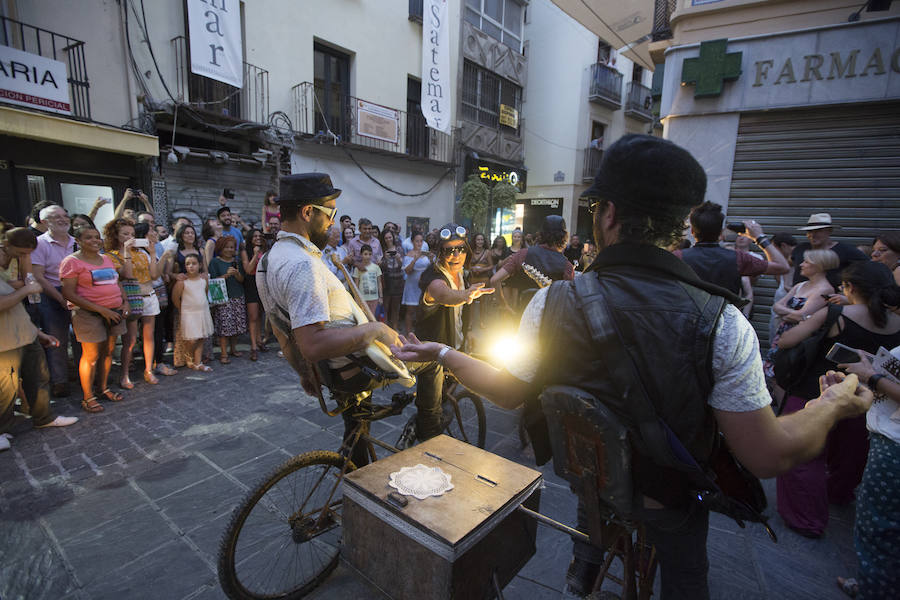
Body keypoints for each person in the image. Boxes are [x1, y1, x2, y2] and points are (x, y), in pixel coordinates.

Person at [391, 134, 875, 599]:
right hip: (672, 500)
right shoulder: (723, 320)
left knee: (594, 501)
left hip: (590, 482)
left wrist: (441, 354)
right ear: (682, 222)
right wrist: (830, 405)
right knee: (688, 576)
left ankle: (585, 560)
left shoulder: (552, 303)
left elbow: (508, 391)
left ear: (608, 214)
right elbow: (768, 456)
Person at [256, 173, 433, 469]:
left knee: (357, 429)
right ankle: (433, 445)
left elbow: (280, 329)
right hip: (352, 367)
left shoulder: (269, 259)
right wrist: (374, 328)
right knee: (435, 361)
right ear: (307, 212)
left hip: (335, 370)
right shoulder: (301, 265)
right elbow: (312, 344)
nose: (332, 223)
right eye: (330, 213)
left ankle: (357, 477)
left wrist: (303, 371)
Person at [776, 261, 900, 538]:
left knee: (804, 454)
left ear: (850, 287)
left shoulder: (836, 313)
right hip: (866, 399)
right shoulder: (896, 323)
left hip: (817, 391)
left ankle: (807, 518)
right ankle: (838, 495)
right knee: (851, 455)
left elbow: (787, 341)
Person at [0, 226, 77, 449]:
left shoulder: (17, 262)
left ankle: (44, 418)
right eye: (21, 253)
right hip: (4, 339)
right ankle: (1, 429)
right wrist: (24, 290)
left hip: (24, 330)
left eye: (28, 253)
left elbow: (28, 284)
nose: (25, 257)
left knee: (39, 376)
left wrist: (39, 332)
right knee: (6, 386)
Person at [834, 348, 900, 600]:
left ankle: (873, 590)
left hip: (894, 448)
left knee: (879, 527)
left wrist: (872, 377)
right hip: (889, 440)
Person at [60, 226, 129, 412]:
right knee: (90, 356)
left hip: (114, 311)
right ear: (78, 241)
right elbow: (68, 292)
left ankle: (103, 388)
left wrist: (125, 302)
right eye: (88, 237)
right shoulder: (71, 262)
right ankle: (87, 397)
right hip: (88, 314)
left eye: (97, 237)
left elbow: (117, 282)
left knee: (108, 351)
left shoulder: (106, 258)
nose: (95, 240)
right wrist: (101, 310)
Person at [676, 202, 789, 295]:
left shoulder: (678, 257)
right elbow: (782, 267)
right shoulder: (738, 258)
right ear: (721, 233)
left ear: (692, 231)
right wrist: (760, 237)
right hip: (723, 319)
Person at [104, 218, 162, 388]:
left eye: (132, 234)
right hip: (130, 299)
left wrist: (152, 253)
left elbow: (154, 275)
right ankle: (125, 374)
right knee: (129, 339)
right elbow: (127, 274)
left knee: (148, 336)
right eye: (125, 234)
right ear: (115, 235)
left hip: (149, 295)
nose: (129, 237)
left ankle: (148, 370)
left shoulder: (141, 253)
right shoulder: (111, 255)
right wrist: (127, 251)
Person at [764, 250, 839, 381]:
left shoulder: (825, 289)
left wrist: (789, 313)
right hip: (782, 333)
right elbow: (777, 306)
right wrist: (794, 314)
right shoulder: (800, 286)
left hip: (800, 337)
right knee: (773, 372)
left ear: (819, 266)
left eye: (806, 262)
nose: (801, 264)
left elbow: (802, 315)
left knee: (783, 374)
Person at [30, 205, 75, 397]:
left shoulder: (77, 241)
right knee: (57, 340)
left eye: (65, 215)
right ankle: (59, 381)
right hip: (52, 293)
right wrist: (61, 298)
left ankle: (90, 377)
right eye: (56, 217)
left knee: (85, 337)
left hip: (80, 293)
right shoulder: (39, 243)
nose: (63, 219)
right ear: (44, 222)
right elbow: (39, 276)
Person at [490, 215, 574, 315]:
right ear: (563, 237)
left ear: (541, 234)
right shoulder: (567, 265)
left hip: (522, 317)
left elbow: (494, 280)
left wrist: (504, 305)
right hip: (550, 321)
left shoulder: (523, 254)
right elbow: (568, 299)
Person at [791, 213, 867, 289]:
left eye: (818, 231)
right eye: (810, 231)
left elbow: (868, 268)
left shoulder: (845, 250)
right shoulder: (801, 249)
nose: (813, 235)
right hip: (797, 296)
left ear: (829, 231)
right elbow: (788, 264)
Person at [171, 255, 215, 372]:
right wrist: (182, 309)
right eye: (188, 264)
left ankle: (198, 362)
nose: (191, 266)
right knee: (192, 339)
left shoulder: (203, 280)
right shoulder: (182, 282)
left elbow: (205, 293)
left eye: (194, 263)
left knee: (201, 337)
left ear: (200, 265)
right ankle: (188, 356)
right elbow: (175, 298)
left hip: (202, 312)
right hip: (189, 314)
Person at [208, 236, 246, 363]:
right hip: (223, 299)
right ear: (221, 248)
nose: (230, 250)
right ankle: (224, 353)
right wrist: (226, 275)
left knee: (236, 326)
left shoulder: (237, 261)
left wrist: (236, 274)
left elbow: (242, 280)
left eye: (232, 247)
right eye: (227, 247)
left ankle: (233, 349)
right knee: (224, 327)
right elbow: (212, 281)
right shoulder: (215, 262)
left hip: (237, 296)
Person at [241, 229, 267, 360]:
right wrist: (255, 255)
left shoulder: (264, 251)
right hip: (251, 283)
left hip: (262, 283)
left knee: (260, 315)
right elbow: (248, 269)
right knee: (253, 316)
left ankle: (259, 340)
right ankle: (253, 347)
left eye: (260, 236)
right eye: (255, 236)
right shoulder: (246, 252)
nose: (258, 238)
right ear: (250, 238)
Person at [768, 232, 798, 343]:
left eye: (774, 250)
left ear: (784, 246)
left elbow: (788, 287)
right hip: (779, 313)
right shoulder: (784, 263)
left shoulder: (798, 261)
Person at [401, 231, 432, 335]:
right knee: (410, 311)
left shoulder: (425, 254)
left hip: (423, 286)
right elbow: (407, 271)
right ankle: (408, 333)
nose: (419, 243)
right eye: (417, 241)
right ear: (412, 242)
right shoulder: (409, 255)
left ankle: (420, 333)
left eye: (421, 241)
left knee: (422, 311)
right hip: (412, 286)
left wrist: (432, 260)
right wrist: (415, 259)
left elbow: (430, 269)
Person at [468, 232, 493, 329]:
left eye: (482, 240)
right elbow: (467, 265)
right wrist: (472, 268)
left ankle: (482, 322)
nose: (480, 241)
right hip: (473, 277)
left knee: (483, 301)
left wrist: (483, 269)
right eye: (478, 239)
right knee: (471, 300)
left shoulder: (487, 252)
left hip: (483, 278)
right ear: (475, 240)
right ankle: (470, 322)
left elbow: (491, 266)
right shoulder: (471, 251)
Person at [380, 229, 405, 330]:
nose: (388, 239)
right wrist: (384, 258)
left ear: (393, 237)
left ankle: (394, 328)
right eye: (386, 238)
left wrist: (399, 258)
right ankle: (385, 328)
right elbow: (380, 266)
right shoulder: (382, 249)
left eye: (390, 237)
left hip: (398, 280)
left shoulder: (399, 248)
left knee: (396, 307)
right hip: (386, 280)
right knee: (385, 306)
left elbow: (403, 265)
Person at [351, 244, 382, 315]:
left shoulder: (376, 267)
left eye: (370, 254)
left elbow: (379, 283)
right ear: (361, 254)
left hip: (374, 298)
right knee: (363, 317)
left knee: (373, 318)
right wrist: (356, 297)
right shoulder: (358, 269)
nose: (367, 256)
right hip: (362, 298)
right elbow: (356, 284)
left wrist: (381, 297)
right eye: (365, 254)